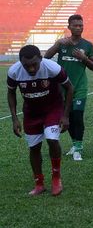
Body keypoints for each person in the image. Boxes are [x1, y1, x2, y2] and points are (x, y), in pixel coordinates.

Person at [7, 45, 74, 196]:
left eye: (34, 64)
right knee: (34, 147)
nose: (31, 69)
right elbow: (10, 93)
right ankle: (39, 184)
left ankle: (56, 178)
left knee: (52, 139)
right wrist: (14, 118)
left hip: (53, 109)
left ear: (41, 59)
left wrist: (65, 115)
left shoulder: (52, 68)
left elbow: (69, 88)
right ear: (20, 63)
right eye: (27, 66)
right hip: (31, 113)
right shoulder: (14, 71)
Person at [44, 14, 93, 161]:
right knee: (67, 117)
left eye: (81, 25)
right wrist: (57, 44)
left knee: (77, 116)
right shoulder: (63, 44)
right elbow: (46, 57)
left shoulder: (87, 45)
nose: (79, 27)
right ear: (69, 27)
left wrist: (84, 58)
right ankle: (75, 144)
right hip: (62, 87)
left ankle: (78, 149)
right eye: (76, 25)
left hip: (80, 87)